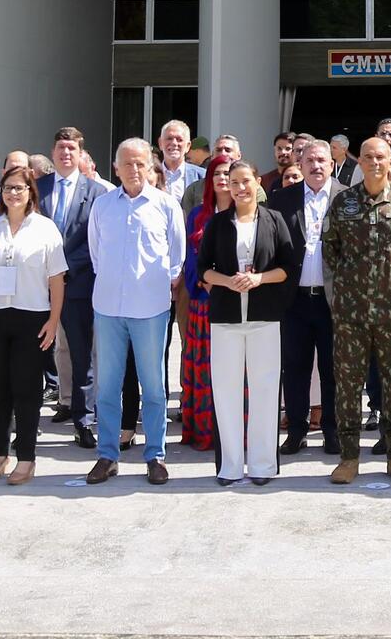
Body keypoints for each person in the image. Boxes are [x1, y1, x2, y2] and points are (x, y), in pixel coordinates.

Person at [322, 136, 391, 484]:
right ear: (360, 162)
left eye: (381, 157)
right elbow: (330, 249)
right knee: (348, 385)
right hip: (351, 314)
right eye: (367, 156)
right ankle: (349, 457)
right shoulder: (343, 202)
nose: (373, 162)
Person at [85, 138, 186, 485]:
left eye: (140, 163)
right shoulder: (102, 206)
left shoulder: (166, 205)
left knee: (154, 387)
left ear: (150, 167)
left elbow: (177, 257)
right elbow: (96, 254)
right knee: (108, 387)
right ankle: (107, 455)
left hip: (151, 308)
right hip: (109, 307)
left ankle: (155, 455)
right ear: (115, 168)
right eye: (126, 163)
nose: (133, 169)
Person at [199, 157, 298, 485]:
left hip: (265, 316)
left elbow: (287, 268)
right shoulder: (217, 223)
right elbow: (204, 270)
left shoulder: (274, 220)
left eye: (246, 181)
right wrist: (229, 281)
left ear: (258, 183)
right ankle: (229, 466)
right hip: (226, 317)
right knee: (225, 391)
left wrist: (258, 280)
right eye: (235, 182)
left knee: (266, 391)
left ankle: (262, 466)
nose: (241, 188)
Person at [0, 163, 67, 484]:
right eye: (8, 187)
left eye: (19, 188)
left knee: (26, 391)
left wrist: (53, 320)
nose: (13, 193)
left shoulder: (45, 229)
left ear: (30, 193)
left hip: (32, 317)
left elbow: (57, 281)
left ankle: (26, 457)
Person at [269, 138, 341, 455]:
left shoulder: (347, 198)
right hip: (293, 300)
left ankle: (333, 432)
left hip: (333, 301)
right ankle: (296, 431)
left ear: (332, 164)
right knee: (295, 369)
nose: (315, 166)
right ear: (300, 164)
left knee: (332, 370)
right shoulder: (281, 199)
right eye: (309, 160)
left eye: (321, 161)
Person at [37, 126, 101, 448]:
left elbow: (96, 241)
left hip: (77, 285)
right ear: (53, 152)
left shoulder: (97, 192)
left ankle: (83, 420)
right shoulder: (37, 188)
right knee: (31, 355)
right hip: (36, 286)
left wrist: (63, 269)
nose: (65, 153)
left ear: (80, 154)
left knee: (80, 357)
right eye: (61, 147)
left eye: (71, 149)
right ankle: (25, 420)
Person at [178, 161, 230, 454]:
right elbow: (189, 260)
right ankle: (205, 432)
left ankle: (234, 434)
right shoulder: (198, 215)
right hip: (204, 305)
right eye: (217, 174)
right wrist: (204, 283)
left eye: (228, 174)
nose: (223, 179)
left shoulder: (245, 214)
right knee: (207, 374)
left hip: (237, 306)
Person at [156, 119, 205, 204]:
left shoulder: (202, 176)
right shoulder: (150, 175)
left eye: (179, 139)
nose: (174, 143)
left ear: (188, 146)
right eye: (169, 138)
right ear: (160, 143)